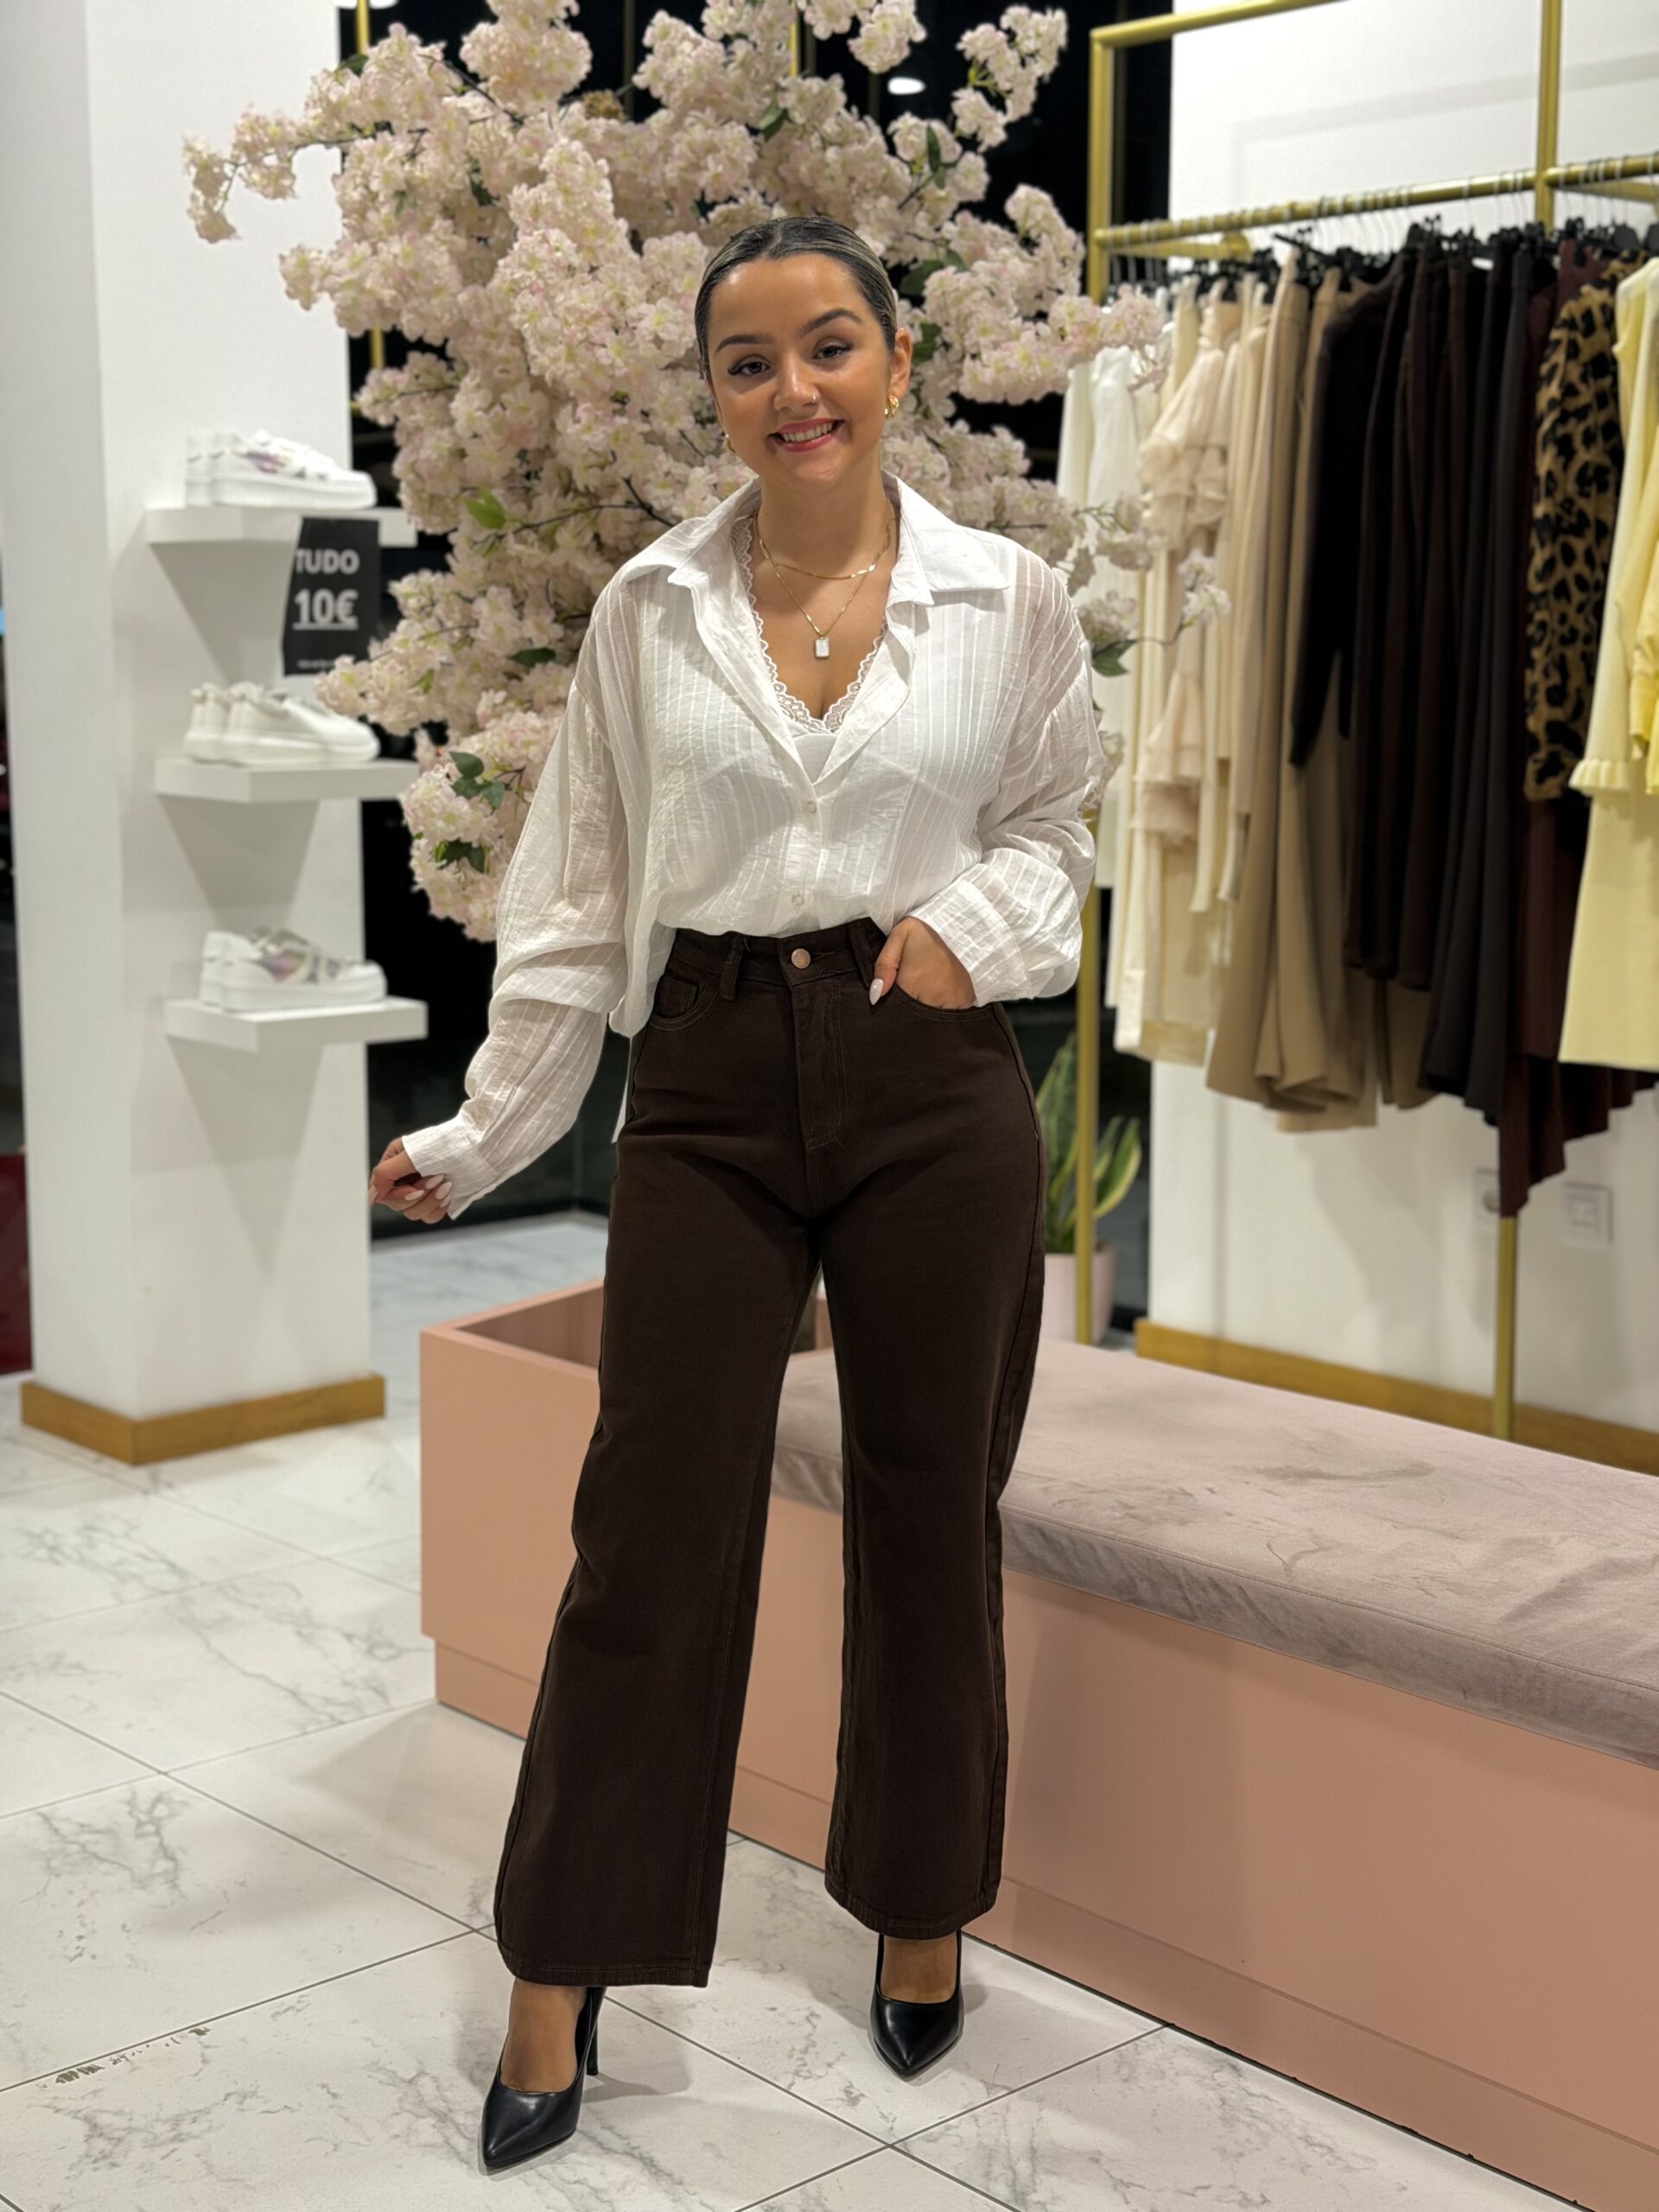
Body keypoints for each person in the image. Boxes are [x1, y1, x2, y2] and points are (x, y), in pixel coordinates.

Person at [366, 213, 1102, 2173]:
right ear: (713, 392)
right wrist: (485, 1132)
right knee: (649, 1530)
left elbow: (1057, 830)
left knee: (929, 1511)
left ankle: (923, 1908)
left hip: (934, 1079)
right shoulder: (648, 608)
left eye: (830, 345)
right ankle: (559, 1965)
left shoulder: (1011, 597)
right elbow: (578, 894)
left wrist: (967, 931)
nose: (796, 391)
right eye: (750, 361)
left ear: (898, 360)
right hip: (702, 1079)